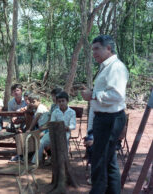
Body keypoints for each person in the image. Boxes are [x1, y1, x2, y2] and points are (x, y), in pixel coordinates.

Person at [81, 35, 128, 194]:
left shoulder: (116, 68)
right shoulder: (105, 67)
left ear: (108, 48)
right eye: (92, 49)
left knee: (99, 161)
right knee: (109, 161)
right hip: (104, 119)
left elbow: (117, 95)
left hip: (110, 119)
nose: (94, 53)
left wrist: (93, 95)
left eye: (97, 49)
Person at [32, 91, 76, 164]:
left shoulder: (72, 112)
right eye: (59, 101)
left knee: (62, 143)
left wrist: (66, 128)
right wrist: (51, 128)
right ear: (57, 102)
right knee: (41, 142)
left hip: (65, 133)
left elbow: (73, 126)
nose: (61, 103)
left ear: (67, 101)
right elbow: (52, 123)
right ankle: (36, 161)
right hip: (54, 132)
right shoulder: (55, 112)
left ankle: (62, 162)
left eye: (63, 101)